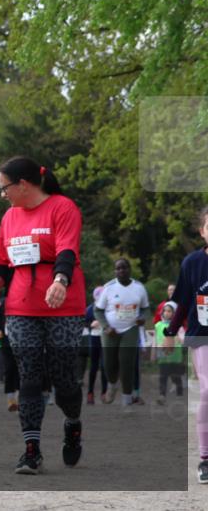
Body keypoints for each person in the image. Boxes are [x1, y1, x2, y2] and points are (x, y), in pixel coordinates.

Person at [0, 157, 86, 475]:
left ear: (23, 185)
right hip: (20, 306)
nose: (2, 195)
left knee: (63, 377)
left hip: (62, 304)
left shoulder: (62, 207)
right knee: (29, 376)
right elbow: (1, 257)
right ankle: (32, 450)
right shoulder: (10, 216)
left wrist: (60, 280)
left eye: (5, 188)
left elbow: (67, 250)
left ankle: (72, 423)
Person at [162, 205, 208, 484]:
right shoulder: (192, 263)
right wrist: (170, 331)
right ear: (202, 231)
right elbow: (182, 301)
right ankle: (205, 457)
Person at [94, 258, 150, 407]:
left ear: (129, 269)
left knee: (127, 363)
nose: (121, 271)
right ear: (114, 271)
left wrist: (142, 318)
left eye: (124, 268)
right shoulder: (108, 288)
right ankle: (112, 385)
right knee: (108, 364)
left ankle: (127, 398)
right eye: (118, 269)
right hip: (110, 331)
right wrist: (105, 327)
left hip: (130, 329)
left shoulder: (139, 287)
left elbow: (145, 308)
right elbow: (97, 310)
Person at [0, 295, 20, 412]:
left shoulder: (26, 300)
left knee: (21, 368)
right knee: (9, 367)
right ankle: (11, 398)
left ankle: (20, 396)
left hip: (23, 339)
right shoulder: (2, 302)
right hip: (6, 340)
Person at [154, 301, 184, 405]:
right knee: (163, 376)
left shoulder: (178, 327)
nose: (167, 313)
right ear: (162, 313)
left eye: (169, 311)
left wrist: (178, 338)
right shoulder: (158, 325)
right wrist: (153, 352)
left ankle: (180, 393)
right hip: (163, 355)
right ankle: (162, 395)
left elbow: (182, 339)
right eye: (165, 311)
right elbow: (156, 340)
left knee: (175, 376)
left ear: (174, 313)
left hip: (175, 356)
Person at [84, 288, 108, 404]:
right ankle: (90, 393)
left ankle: (104, 392)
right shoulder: (89, 309)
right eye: (98, 296)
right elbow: (83, 321)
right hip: (94, 338)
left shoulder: (108, 308)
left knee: (104, 366)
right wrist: (90, 324)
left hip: (105, 339)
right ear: (94, 297)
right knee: (93, 366)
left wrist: (104, 324)